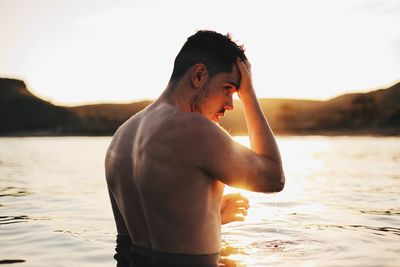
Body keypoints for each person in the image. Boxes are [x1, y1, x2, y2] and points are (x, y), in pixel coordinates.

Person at [105, 30, 285, 267]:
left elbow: (128, 246)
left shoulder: (119, 140)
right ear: (199, 75)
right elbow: (273, 178)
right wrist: (250, 95)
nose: (231, 104)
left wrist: (209, 219)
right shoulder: (195, 129)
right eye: (229, 89)